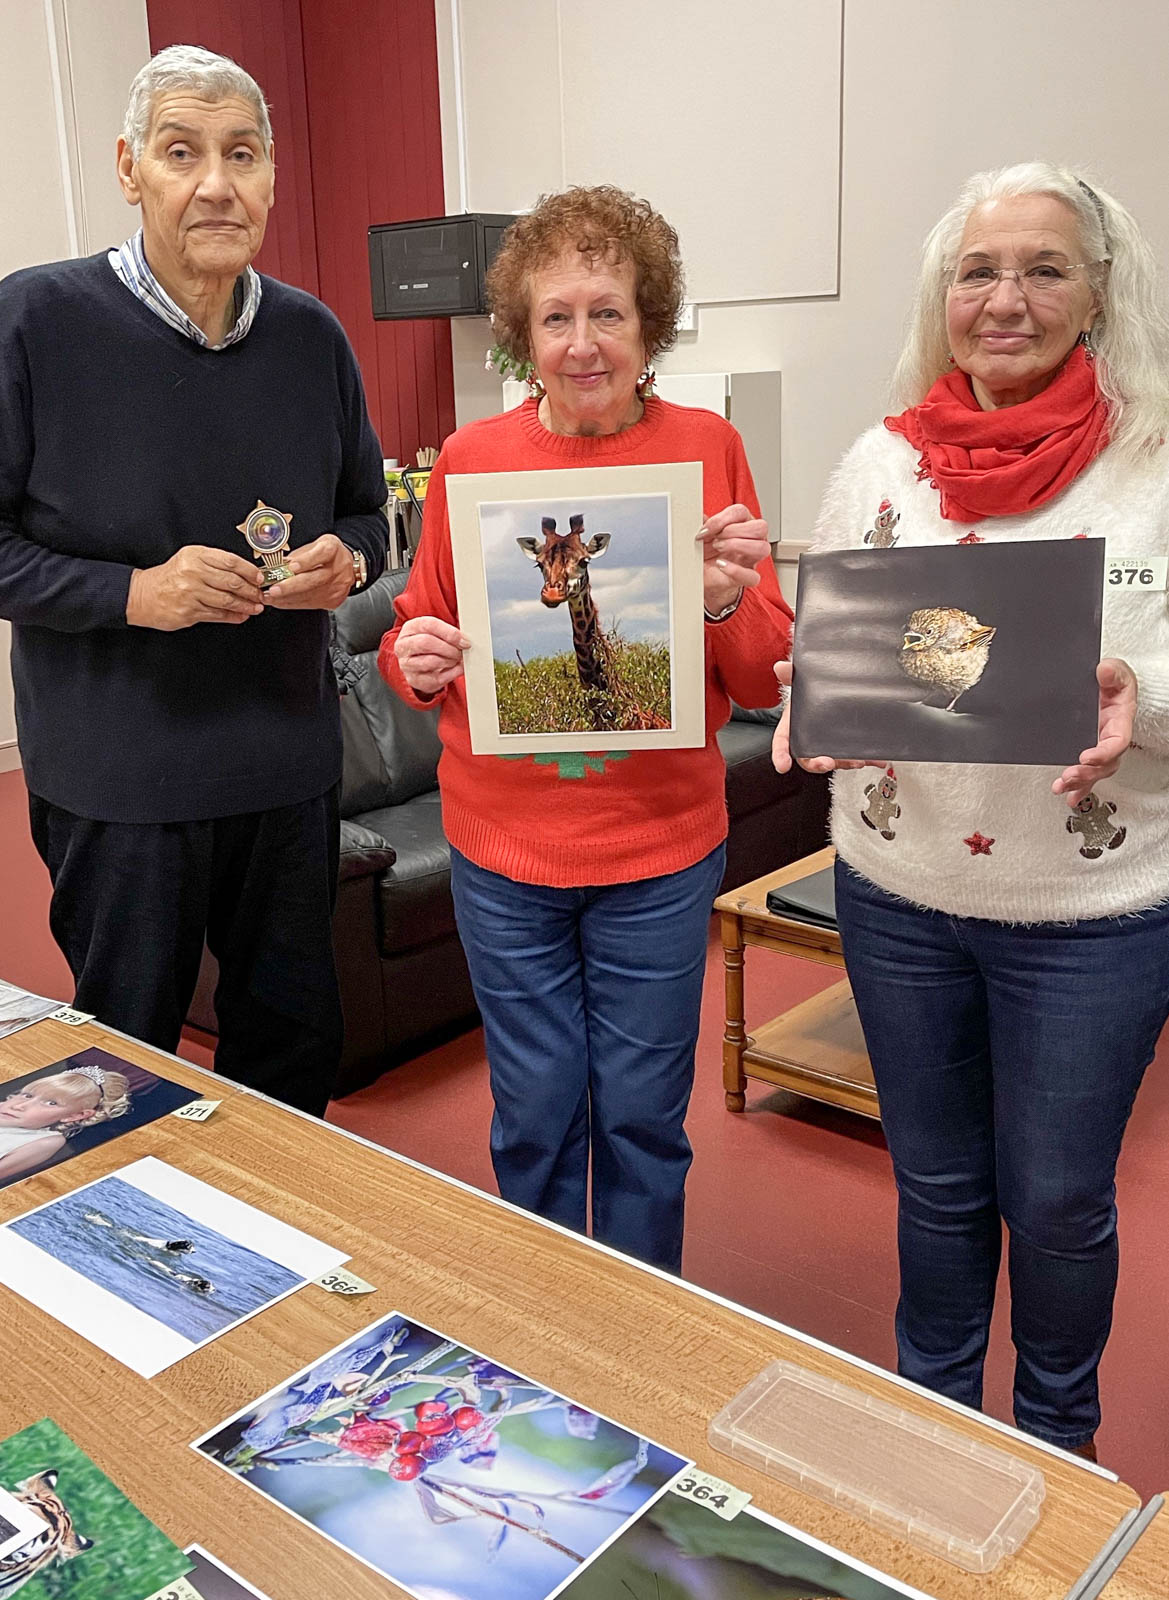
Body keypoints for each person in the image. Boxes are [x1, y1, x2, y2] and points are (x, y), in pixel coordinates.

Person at [775, 162, 1169, 1457]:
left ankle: (1055, 1450)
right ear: (945, 293)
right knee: (936, 1192)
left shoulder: (1155, 462)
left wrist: (1140, 699)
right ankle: (930, 1439)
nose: (1007, 299)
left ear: (1099, 294)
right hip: (897, 895)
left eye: (1044, 268)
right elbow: (849, 649)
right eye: (979, 270)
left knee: (1056, 1204)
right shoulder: (881, 460)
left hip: (1092, 916)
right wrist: (807, 691)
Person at [380, 185, 792, 1272]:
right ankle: (548, 1324)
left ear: (648, 325)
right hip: (501, 851)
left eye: (606, 312)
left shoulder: (708, 446)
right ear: (521, 332)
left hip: (656, 851)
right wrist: (410, 659)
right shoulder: (468, 461)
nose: (580, 343)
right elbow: (419, 624)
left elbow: (757, 668)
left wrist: (718, 597)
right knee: (533, 1112)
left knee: (645, 1119)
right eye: (554, 316)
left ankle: (638, 1329)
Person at [0, 46, 388, 1117]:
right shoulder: (31, 322)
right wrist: (131, 595)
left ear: (270, 176)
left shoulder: (312, 336)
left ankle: (281, 1254)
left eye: (241, 154)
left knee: (294, 1054)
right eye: (181, 152)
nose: (216, 182)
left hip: (287, 772)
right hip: (119, 779)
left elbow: (364, 514)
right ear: (129, 169)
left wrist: (347, 561)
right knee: (119, 1063)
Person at [0, 1067, 131, 1188]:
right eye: (27, 1095)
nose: (20, 1106)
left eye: (51, 1103)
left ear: (74, 1116)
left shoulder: (46, 1141)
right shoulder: (2, 1108)